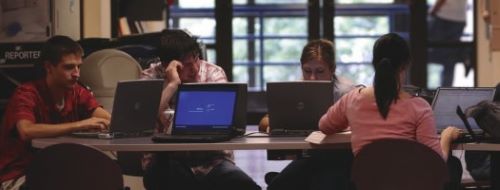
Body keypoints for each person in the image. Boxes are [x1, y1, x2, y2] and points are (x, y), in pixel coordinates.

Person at [319, 33, 462, 190]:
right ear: (405, 66)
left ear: (374, 64)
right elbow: (436, 161)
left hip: (368, 183)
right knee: (453, 165)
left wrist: (352, 122)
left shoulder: (352, 99)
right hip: (411, 184)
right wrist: (447, 137)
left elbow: (324, 125)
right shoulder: (419, 107)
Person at [141, 29, 259, 190]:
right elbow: (145, 119)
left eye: (196, 59)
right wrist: (172, 85)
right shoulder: (149, 78)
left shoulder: (212, 73)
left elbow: (219, 118)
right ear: (168, 65)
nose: (195, 68)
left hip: (212, 160)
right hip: (165, 159)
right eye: (186, 65)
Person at [0, 35, 111, 190]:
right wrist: (80, 125)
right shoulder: (26, 94)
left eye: (79, 66)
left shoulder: (77, 92)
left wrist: (109, 121)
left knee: (105, 178)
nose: (76, 74)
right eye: (68, 67)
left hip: (59, 169)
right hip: (21, 174)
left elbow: (105, 118)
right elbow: (26, 130)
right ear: (49, 67)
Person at [266, 39, 356, 190]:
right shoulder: (298, 90)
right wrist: (271, 122)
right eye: (307, 71)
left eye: (320, 71)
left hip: (341, 158)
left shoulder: (349, 92)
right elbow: (269, 119)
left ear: (332, 69)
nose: (312, 77)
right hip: (311, 156)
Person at [428, 0, 468, 87]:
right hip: (460, 17)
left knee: (428, 48)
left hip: (444, 16)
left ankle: (465, 54)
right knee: (450, 58)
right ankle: (445, 89)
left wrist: (433, 11)